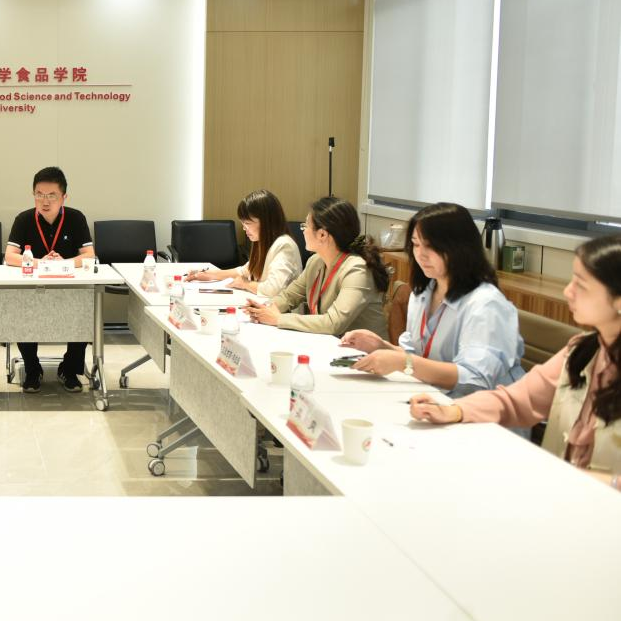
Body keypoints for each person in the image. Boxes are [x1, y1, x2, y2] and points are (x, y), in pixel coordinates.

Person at [412, 234, 621, 487]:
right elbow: (518, 400)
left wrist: (599, 482)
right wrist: (455, 411)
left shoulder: (485, 301)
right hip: (561, 494)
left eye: (581, 284)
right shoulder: (582, 350)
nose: (568, 291)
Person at [341, 203, 525, 396]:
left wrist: (403, 363)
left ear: (459, 248)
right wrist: (380, 346)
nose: (420, 254)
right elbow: (418, 357)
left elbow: (475, 379)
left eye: (430, 246)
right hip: (434, 399)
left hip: (482, 408)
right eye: (416, 244)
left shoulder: (485, 304)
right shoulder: (423, 293)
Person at [4, 166, 96, 393]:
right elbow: (10, 256)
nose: (45, 201)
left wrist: (63, 264)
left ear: (64, 197)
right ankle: (32, 369)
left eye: (52, 195)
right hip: (32, 288)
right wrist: (41, 263)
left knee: (83, 312)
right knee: (22, 313)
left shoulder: (75, 217)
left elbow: (89, 255)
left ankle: (69, 369)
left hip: (70, 288)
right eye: (39, 194)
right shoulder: (24, 219)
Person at [246, 196, 388, 336]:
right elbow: (289, 297)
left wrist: (279, 319)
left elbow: (333, 323)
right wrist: (263, 309)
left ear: (322, 235)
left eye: (306, 225)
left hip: (362, 349)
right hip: (331, 343)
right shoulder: (315, 262)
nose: (303, 230)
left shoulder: (357, 270)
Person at [189, 189, 301, 297]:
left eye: (247, 223)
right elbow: (244, 271)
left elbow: (273, 289)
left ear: (266, 222)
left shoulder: (284, 245)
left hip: (279, 308)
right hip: (264, 304)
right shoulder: (264, 242)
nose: (244, 228)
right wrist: (210, 275)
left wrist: (245, 284)